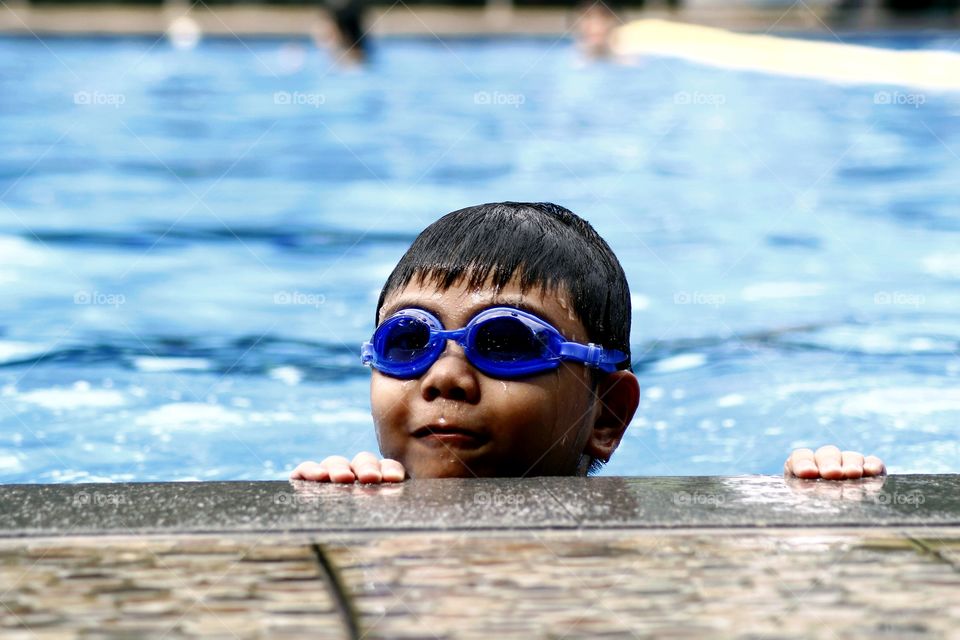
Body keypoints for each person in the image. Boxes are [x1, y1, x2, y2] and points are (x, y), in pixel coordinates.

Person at [290, 202, 885, 483]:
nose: (444, 377)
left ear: (607, 413)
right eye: (407, 341)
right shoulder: (356, 492)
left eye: (503, 342)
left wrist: (816, 512)